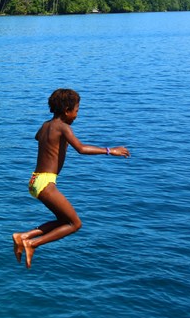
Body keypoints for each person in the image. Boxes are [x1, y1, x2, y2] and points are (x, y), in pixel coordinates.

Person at [12, 88, 130, 269]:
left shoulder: (45, 126)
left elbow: (38, 138)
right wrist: (110, 150)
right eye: (76, 111)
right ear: (67, 110)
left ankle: (24, 236)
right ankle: (32, 243)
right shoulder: (63, 127)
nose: (76, 116)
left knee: (62, 221)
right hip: (46, 182)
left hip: (35, 181)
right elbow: (81, 149)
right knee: (75, 224)